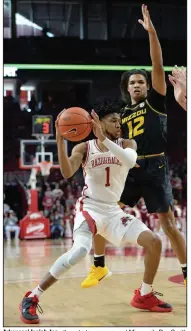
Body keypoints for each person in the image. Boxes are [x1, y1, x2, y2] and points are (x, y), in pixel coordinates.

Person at [19, 103, 172, 324]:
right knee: (80, 251)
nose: (118, 124)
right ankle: (33, 296)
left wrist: (104, 138)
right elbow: (66, 172)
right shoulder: (83, 148)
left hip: (113, 211)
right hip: (89, 207)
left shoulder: (128, 143)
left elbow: (129, 161)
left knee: (154, 242)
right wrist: (60, 142)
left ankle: (144, 295)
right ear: (97, 122)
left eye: (119, 120)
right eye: (112, 120)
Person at [82, 4, 187, 288]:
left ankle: (187, 269)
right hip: (128, 168)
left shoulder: (155, 101)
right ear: (127, 88)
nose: (138, 85)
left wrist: (152, 34)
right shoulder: (122, 115)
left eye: (142, 81)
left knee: (168, 224)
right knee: (105, 213)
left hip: (156, 166)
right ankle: (99, 265)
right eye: (133, 82)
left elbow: (156, 64)